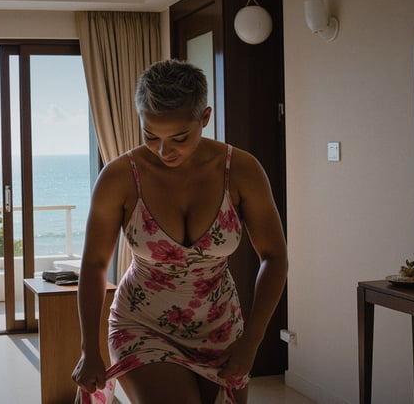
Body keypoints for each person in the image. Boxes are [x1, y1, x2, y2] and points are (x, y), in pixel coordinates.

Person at [71, 59, 288, 404]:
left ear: (205, 118)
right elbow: (95, 264)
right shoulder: (119, 177)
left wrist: (251, 341)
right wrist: (89, 349)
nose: (163, 150)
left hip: (221, 327)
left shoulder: (242, 170)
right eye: (150, 136)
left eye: (179, 138)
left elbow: (274, 258)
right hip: (142, 325)